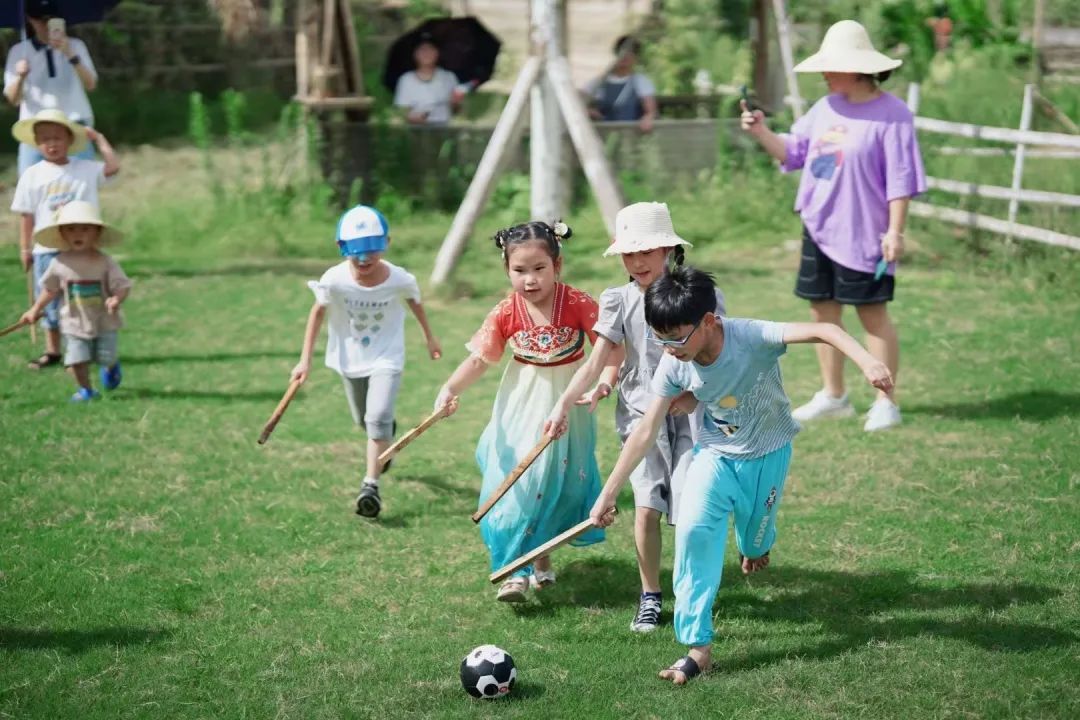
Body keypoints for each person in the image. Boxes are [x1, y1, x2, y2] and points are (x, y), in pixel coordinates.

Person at [589, 266, 894, 685]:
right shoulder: (674, 363)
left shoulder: (751, 336)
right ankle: (698, 647)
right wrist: (609, 493)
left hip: (769, 454)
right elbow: (645, 430)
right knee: (693, 532)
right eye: (660, 338)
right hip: (714, 454)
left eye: (676, 337)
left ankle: (756, 543)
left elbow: (825, 330)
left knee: (754, 541)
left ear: (709, 321)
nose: (668, 348)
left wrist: (867, 361)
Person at [543, 202, 727, 634]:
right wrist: (563, 404)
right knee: (645, 507)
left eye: (646, 251)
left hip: (691, 416)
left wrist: (690, 394)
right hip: (641, 415)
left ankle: (689, 591)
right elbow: (595, 362)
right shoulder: (618, 300)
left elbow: (718, 354)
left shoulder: (701, 294)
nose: (637, 261)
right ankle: (650, 596)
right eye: (628, 253)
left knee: (688, 507)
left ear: (669, 249)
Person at [740, 19, 925, 432]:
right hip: (819, 227)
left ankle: (885, 401)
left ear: (858, 68)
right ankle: (834, 395)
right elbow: (792, 154)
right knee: (823, 313)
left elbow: (901, 179)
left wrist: (894, 231)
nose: (823, 73)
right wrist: (760, 132)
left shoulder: (893, 116)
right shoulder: (823, 109)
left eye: (831, 66)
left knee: (872, 315)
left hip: (865, 234)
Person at [435, 221, 605, 603]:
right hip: (521, 404)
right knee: (519, 485)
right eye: (520, 271)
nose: (530, 279)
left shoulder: (578, 303)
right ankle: (514, 571)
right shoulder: (506, 311)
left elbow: (610, 349)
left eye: (539, 269)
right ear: (507, 270)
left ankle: (540, 557)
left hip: (569, 404)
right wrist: (449, 388)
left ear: (557, 266)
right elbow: (480, 360)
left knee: (559, 485)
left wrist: (604, 382)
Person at [290, 205, 443, 518]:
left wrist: (430, 337)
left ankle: (370, 486)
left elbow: (415, 302)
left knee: (376, 417)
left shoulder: (398, 278)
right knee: (365, 420)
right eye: (356, 254)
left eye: (371, 253)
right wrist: (304, 361)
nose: (364, 261)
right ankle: (385, 431)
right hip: (350, 358)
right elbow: (317, 313)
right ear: (341, 248)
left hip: (387, 356)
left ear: (386, 244)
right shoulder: (334, 280)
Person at [10, 108, 120, 371]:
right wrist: (25, 248)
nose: (52, 144)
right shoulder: (33, 175)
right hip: (46, 247)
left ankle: (84, 348)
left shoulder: (85, 169)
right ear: (37, 143)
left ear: (70, 140)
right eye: (45, 139)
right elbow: (27, 214)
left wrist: (99, 139)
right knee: (48, 298)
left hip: (81, 248)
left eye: (57, 138)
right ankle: (53, 351)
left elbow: (113, 167)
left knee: (83, 299)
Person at [19, 201, 130, 402]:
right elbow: (50, 289)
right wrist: (35, 309)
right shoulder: (59, 263)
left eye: (85, 229)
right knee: (76, 360)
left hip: (103, 321)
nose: (78, 234)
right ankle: (86, 391)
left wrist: (116, 298)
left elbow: (123, 285)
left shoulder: (105, 261)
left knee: (104, 356)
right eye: (71, 229)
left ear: (96, 233)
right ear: (62, 233)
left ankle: (111, 364)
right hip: (73, 321)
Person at [4, 0, 100, 175]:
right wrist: (20, 76)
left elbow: (91, 84)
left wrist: (69, 54)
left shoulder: (75, 45)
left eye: (51, 19)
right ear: (30, 20)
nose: (46, 24)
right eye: (41, 19)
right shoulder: (19, 52)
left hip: (74, 124)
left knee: (82, 184)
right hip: (34, 128)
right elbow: (12, 99)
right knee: (31, 186)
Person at [585, 35, 658, 132]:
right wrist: (588, 112)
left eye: (631, 53)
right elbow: (576, 102)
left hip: (631, 136)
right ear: (616, 54)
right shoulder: (599, 82)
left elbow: (650, 111)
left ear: (636, 57)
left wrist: (648, 118)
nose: (625, 56)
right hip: (604, 134)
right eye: (622, 52)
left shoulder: (641, 82)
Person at [392, 33, 468, 126]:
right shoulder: (406, 80)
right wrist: (413, 118)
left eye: (430, 49)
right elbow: (402, 111)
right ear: (415, 54)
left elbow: (457, 111)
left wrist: (455, 103)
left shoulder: (449, 77)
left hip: (444, 129)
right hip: (415, 131)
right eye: (422, 50)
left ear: (437, 53)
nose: (426, 53)